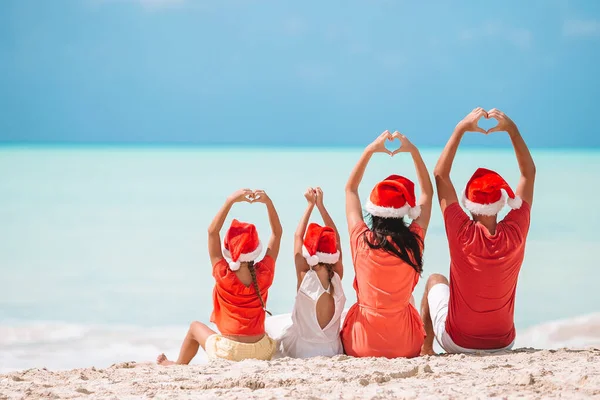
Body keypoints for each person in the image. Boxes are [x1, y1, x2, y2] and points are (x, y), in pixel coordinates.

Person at [421, 107, 535, 355]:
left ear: (468, 204)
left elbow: (440, 175)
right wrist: (512, 131)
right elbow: (529, 173)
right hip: (504, 342)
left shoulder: (461, 230)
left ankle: (425, 349)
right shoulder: (516, 230)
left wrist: (460, 129)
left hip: (458, 342)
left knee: (435, 281)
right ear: (502, 202)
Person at [157, 188, 283, 364]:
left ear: (228, 251)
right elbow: (277, 233)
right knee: (263, 332)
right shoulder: (265, 273)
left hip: (230, 352)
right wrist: (268, 202)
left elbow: (212, 232)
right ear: (255, 251)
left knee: (194, 327)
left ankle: (178, 365)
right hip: (261, 351)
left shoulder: (223, 273)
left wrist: (230, 200)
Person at [340, 130, 434, 358]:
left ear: (373, 211)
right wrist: (413, 151)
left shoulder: (361, 240)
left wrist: (370, 150)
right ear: (404, 213)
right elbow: (427, 194)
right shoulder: (413, 242)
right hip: (406, 346)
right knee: (408, 299)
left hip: (360, 345)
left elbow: (350, 189)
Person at [278, 187, 346, 358]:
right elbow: (336, 238)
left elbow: (297, 237)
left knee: (276, 327)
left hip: (302, 350)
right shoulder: (337, 275)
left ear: (309, 253)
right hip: (332, 349)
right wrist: (321, 206)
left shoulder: (304, 276)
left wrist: (309, 205)